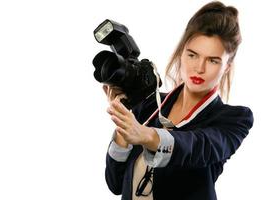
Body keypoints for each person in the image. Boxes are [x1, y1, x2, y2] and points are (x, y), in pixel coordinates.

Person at [103, 1, 254, 200]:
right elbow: (115, 184)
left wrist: (146, 135)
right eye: (192, 55)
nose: (199, 68)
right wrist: (124, 128)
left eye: (213, 60)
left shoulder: (234, 119)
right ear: (182, 52)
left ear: (227, 66)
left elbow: (197, 147)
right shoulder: (150, 107)